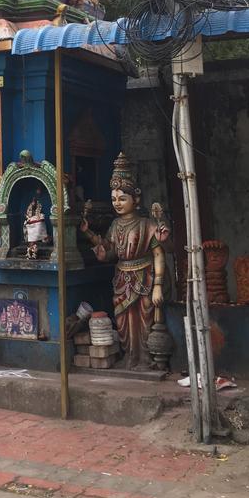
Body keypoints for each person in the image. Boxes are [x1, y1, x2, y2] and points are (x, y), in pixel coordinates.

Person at [79, 152, 170, 370]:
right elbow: (110, 252)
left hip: (144, 277)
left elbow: (159, 254)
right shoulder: (115, 226)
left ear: (136, 199)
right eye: (114, 199)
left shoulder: (147, 224)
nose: (117, 203)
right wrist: (89, 234)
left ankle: (146, 359)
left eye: (122, 198)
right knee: (122, 320)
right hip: (122, 278)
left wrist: (158, 285)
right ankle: (129, 356)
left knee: (146, 318)